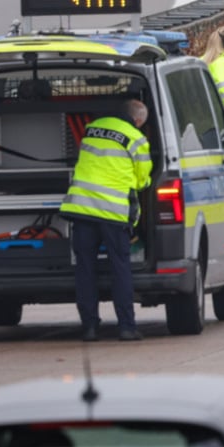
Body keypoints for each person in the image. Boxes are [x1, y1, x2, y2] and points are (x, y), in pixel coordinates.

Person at [59, 99, 152, 342]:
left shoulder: (92, 128)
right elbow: (143, 179)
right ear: (139, 120)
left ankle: (89, 328)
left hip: (82, 208)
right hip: (113, 213)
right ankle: (126, 327)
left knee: (85, 269)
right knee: (119, 268)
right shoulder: (136, 137)